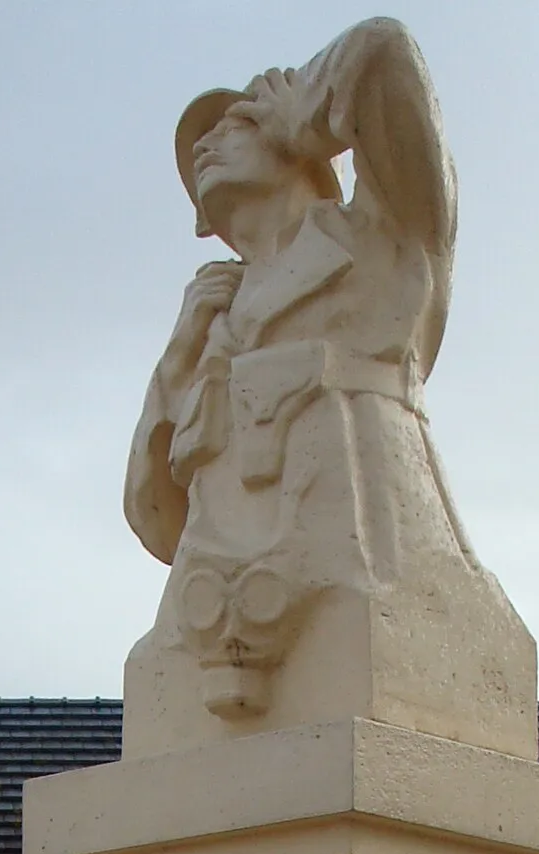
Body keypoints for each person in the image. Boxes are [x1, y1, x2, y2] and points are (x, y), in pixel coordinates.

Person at [124, 17, 514, 734]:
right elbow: (155, 517)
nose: (207, 144)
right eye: (198, 147)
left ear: (300, 147)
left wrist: (299, 110)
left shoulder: (382, 239)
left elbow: (384, 53)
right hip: (215, 616)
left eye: (236, 124)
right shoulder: (210, 318)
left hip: (375, 578)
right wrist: (179, 362)